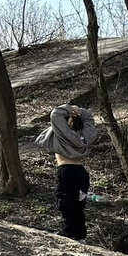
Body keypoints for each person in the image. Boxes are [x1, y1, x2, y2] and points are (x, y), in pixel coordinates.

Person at [36, 103, 98, 241]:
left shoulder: (64, 133)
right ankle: (80, 236)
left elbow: (55, 114)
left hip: (66, 171)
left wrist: (71, 109)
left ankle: (69, 235)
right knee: (78, 206)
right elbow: (89, 118)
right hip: (81, 173)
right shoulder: (86, 135)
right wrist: (79, 110)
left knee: (66, 205)